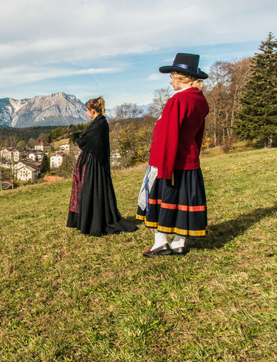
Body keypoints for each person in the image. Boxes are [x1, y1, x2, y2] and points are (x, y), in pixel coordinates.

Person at [137, 53, 209, 257]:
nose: (170, 81)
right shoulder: (200, 100)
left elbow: (168, 135)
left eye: (172, 76)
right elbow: (197, 133)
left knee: (165, 201)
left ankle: (161, 243)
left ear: (181, 77)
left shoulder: (178, 100)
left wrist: (162, 167)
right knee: (183, 202)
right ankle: (179, 243)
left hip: (171, 161)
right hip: (189, 159)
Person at [67, 96, 137, 236]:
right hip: (95, 161)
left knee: (91, 190)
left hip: (94, 163)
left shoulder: (98, 125)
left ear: (93, 111)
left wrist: (77, 138)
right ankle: (92, 220)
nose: (86, 113)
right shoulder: (100, 123)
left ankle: (94, 222)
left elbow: (85, 141)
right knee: (92, 190)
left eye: (87, 110)